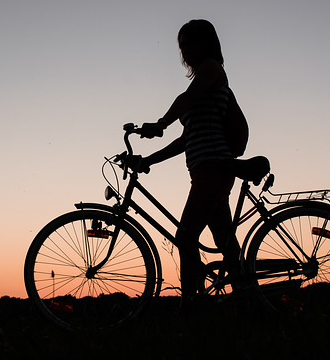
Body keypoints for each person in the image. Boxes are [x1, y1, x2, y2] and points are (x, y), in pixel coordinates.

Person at [139, 19, 243, 305]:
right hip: (206, 170)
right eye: (181, 45)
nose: (184, 50)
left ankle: (190, 307)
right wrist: (148, 160)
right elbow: (186, 140)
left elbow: (186, 98)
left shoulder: (211, 70)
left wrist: (160, 123)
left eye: (189, 42)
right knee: (225, 242)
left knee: (185, 237)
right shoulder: (205, 81)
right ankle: (248, 301)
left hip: (213, 168)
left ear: (206, 43)